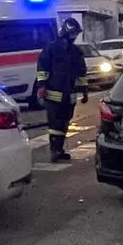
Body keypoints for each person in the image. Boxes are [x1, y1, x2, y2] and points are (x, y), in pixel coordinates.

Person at [34, 17, 88, 162]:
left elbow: (81, 71)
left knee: (64, 123)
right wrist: (42, 86)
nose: (74, 37)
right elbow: (42, 68)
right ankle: (55, 150)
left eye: (76, 34)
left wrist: (84, 90)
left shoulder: (76, 51)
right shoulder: (51, 49)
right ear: (65, 32)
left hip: (69, 95)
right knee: (55, 124)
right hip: (53, 94)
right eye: (73, 33)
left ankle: (59, 149)